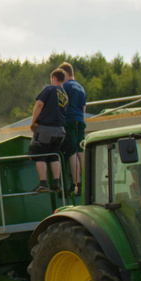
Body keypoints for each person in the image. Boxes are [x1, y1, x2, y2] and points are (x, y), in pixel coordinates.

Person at [28, 68, 69, 193]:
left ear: (54, 78)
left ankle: (43, 184)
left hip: (46, 129)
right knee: (53, 156)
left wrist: (33, 122)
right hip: (60, 131)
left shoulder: (49, 89)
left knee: (39, 155)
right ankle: (56, 183)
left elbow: (39, 104)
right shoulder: (65, 95)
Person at [58, 61, 87, 194]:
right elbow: (84, 108)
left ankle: (76, 184)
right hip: (80, 121)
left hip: (69, 121)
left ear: (65, 73)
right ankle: (86, 180)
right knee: (81, 150)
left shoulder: (65, 86)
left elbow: (61, 104)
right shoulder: (81, 88)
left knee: (71, 152)